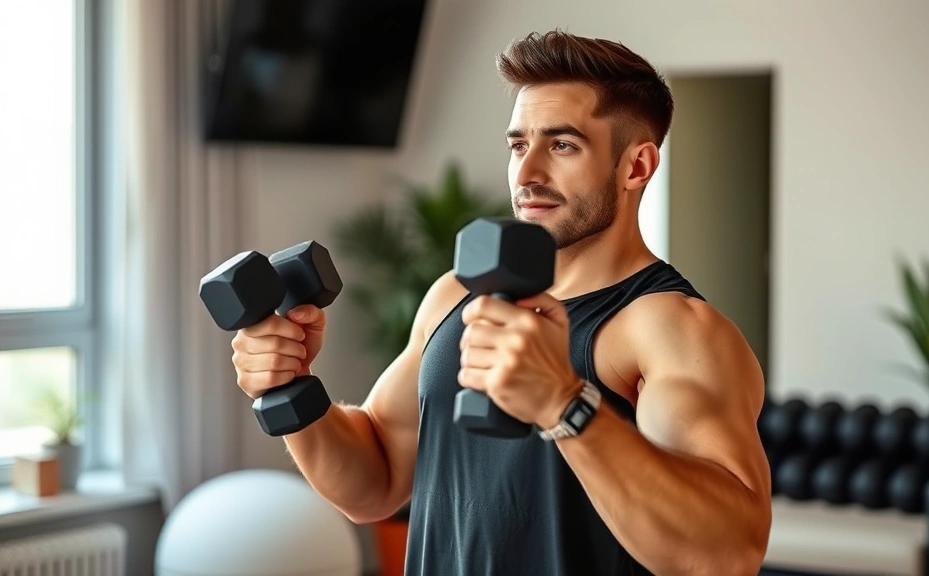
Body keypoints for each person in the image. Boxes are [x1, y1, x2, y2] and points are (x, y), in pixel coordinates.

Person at [231, 29, 772, 576]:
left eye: (562, 145)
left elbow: (729, 553)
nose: (527, 174)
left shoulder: (671, 328)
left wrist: (566, 405)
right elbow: (374, 484)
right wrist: (291, 389)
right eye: (518, 146)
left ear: (636, 166)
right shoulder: (457, 295)